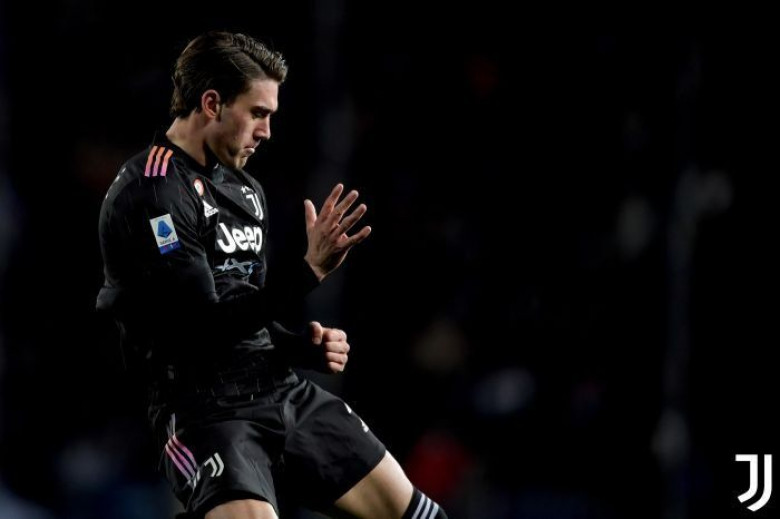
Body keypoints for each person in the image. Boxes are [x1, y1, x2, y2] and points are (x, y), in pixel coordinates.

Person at [96, 31, 447, 519]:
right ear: (212, 104)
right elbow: (203, 328)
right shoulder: (153, 193)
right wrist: (308, 272)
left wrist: (298, 347)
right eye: (258, 113)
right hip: (206, 415)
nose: (266, 132)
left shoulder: (247, 192)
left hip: (279, 390)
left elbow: (242, 313)